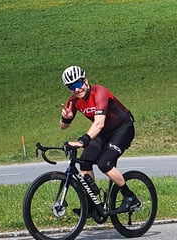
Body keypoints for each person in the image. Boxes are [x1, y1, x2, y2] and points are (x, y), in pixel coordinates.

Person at [59, 65, 140, 213]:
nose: (76, 89)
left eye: (78, 83)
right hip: (104, 132)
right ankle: (93, 205)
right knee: (85, 162)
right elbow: (63, 126)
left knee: (104, 163)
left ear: (85, 80)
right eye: (71, 87)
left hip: (123, 128)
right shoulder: (74, 101)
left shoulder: (99, 92)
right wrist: (66, 118)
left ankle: (130, 198)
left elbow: (99, 123)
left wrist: (82, 141)